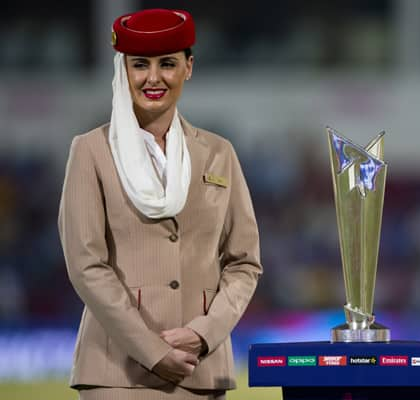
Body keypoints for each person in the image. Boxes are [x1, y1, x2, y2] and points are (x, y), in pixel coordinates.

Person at [58, 8, 262, 400]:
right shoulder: (90, 151)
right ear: (123, 70)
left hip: (200, 368)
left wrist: (204, 333)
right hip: (116, 372)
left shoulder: (221, 153)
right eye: (140, 65)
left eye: (167, 63)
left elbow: (244, 262)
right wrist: (152, 350)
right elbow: (86, 265)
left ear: (188, 67)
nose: (153, 78)